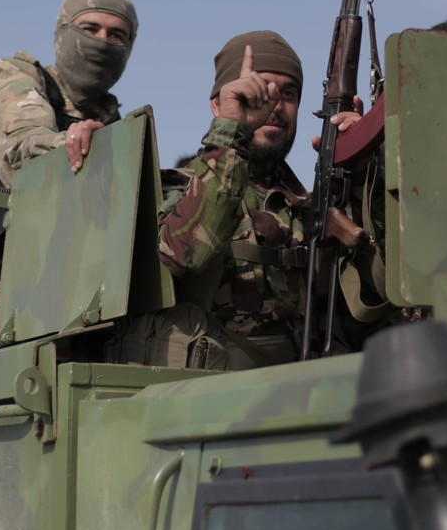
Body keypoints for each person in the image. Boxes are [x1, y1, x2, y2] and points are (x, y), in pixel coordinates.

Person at [115, 30, 357, 370]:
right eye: (258, 88)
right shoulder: (174, 189)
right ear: (217, 104)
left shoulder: (313, 209)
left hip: (305, 389)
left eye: (288, 94)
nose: (274, 105)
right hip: (206, 392)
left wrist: (366, 169)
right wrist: (231, 130)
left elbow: (372, 303)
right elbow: (186, 256)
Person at [0, 0, 139, 340]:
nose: (102, 42)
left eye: (117, 35)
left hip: (81, 284)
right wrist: (68, 142)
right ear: (62, 32)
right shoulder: (17, 78)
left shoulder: (115, 127)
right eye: (90, 28)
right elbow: (22, 151)